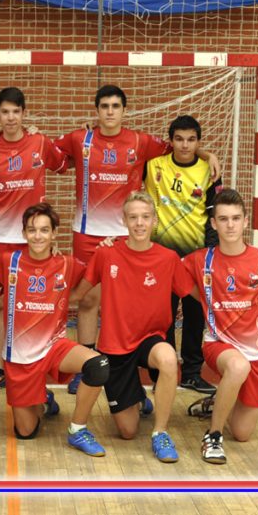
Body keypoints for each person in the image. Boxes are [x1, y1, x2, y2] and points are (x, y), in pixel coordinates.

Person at [55, 86, 220, 395]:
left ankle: (128, 368)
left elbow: (180, 148)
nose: (110, 111)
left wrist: (207, 154)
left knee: (126, 304)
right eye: (104, 106)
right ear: (96, 110)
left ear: (124, 110)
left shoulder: (140, 142)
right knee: (88, 300)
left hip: (127, 235)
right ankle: (88, 364)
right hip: (88, 232)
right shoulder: (81, 138)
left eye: (115, 106)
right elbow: (48, 152)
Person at [70, 191, 194, 463]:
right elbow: (78, 294)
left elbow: (194, 292)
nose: (139, 223)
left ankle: (160, 433)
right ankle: (137, 398)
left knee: (168, 359)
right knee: (127, 431)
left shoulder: (168, 258)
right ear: (124, 221)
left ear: (154, 221)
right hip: (115, 345)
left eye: (145, 217)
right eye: (133, 217)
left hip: (150, 339)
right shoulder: (106, 254)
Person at [0, 203, 110, 457]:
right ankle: (43, 400)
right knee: (26, 432)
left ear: (54, 234)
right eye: (32, 230)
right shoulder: (8, 261)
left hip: (54, 347)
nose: (38, 236)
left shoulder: (67, 264)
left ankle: (78, 429)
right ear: (23, 233)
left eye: (44, 230)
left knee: (98, 365)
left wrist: (105, 250)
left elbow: (88, 281)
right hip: (20, 358)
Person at [177, 189, 258, 464]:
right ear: (214, 223)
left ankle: (218, 401)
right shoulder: (200, 260)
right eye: (223, 219)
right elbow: (166, 268)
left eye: (236, 218)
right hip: (219, 344)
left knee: (242, 433)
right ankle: (213, 436)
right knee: (237, 367)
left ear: (245, 221)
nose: (230, 225)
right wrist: (207, 299)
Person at [0, 87, 64, 391]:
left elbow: (66, 162)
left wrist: (91, 128)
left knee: (34, 303)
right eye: (5, 112)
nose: (10, 118)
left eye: (15, 112)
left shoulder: (39, 142)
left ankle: (34, 364)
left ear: (25, 113)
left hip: (32, 237)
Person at [144, 115, 221, 395]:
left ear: (198, 142)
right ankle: (161, 374)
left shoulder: (208, 171)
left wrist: (208, 253)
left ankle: (191, 373)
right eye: (179, 139)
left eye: (191, 140)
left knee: (194, 316)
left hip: (194, 257)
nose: (185, 145)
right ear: (171, 141)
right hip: (161, 257)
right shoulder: (153, 166)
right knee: (161, 317)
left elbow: (212, 215)